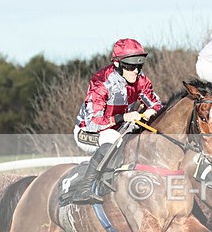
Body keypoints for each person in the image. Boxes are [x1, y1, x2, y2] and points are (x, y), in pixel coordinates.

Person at [69, 38, 162, 204]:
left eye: (139, 66)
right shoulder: (101, 83)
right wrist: (123, 117)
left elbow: (156, 104)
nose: (136, 71)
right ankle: (84, 188)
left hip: (120, 130)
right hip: (87, 132)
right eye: (131, 66)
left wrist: (149, 112)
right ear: (117, 64)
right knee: (112, 138)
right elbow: (93, 122)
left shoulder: (141, 81)